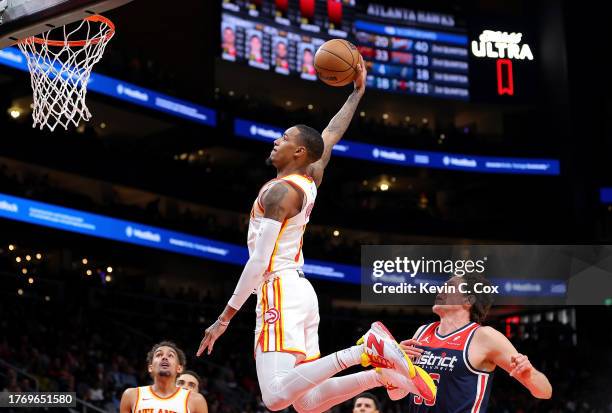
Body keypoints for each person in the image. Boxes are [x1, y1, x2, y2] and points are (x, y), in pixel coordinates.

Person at [197, 58, 434, 413]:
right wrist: (357, 93)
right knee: (306, 403)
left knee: (275, 398)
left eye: (285, 138)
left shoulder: (279, 194)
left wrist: (224, 318)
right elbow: (331, 134)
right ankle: (381, 376)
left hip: (278, 287)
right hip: (301, 292)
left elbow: (259, 262)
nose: (276, 141)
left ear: (299, 152)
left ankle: (366, 348)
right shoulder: (310, 177)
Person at [400, 274, 553, 412]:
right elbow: (399, 389)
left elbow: (545, 392)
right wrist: (395, 360)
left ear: (468, 300)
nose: (441, 289)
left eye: (450, 286)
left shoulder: (484, 336)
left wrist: (529, 375)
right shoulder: (422, 332)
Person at [120, 341, 207, 413]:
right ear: (150, 367)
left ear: (179, 368)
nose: (164, 357)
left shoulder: (196, 400)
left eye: (170, 355)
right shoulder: (131, 395)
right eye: (159, 355)